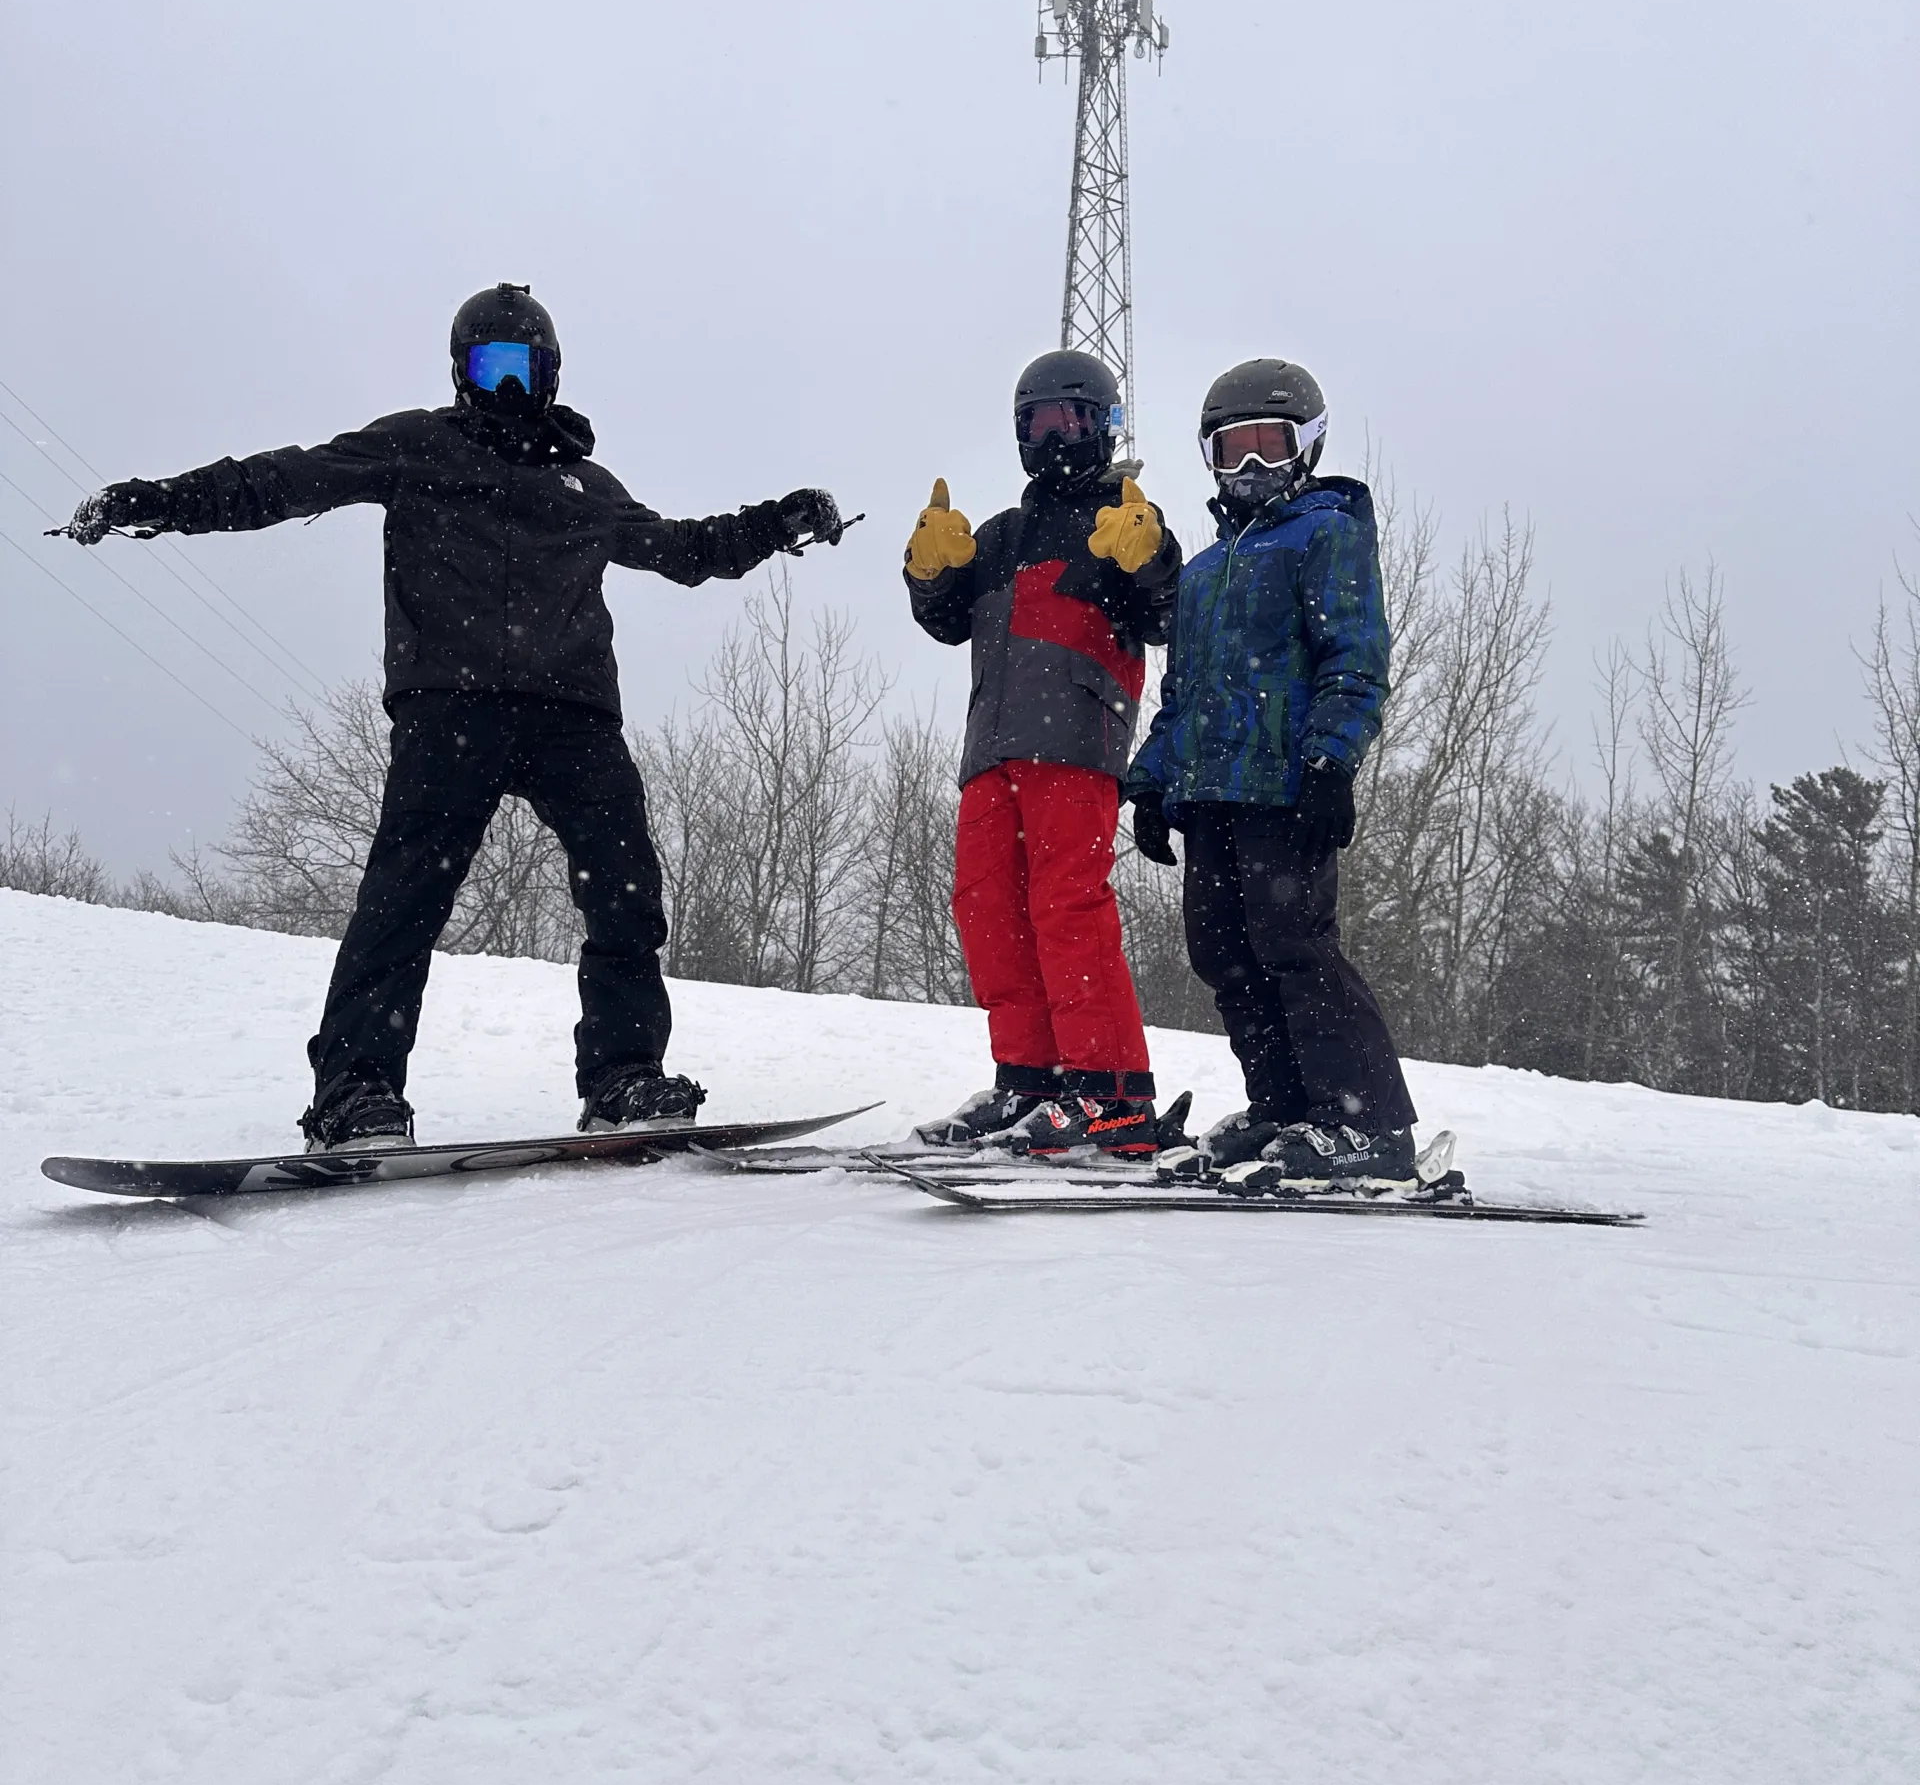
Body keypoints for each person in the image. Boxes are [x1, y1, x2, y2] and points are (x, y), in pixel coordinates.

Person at [63, 283, 843, 1148]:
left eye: (523, 368)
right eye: (489, 366)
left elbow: (686, 551)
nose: (507, 388)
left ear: (548, 376)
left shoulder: (584, 484)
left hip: (573, 715)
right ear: (461, 373)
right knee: (406, 896)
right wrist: (154, 500)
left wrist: (777, 523)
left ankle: (623, 1077)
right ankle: (356, 1090)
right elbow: (280, 479)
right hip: (451, 705)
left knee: (626, 896)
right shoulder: (418, 446)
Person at [1125, 358, 1419, 1182]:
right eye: (1233, 450)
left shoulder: (1325, 535)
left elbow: (1354, 658)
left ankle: (1364, 1121)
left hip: (1283, 786)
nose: (1250, 468)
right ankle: (1284, 1106)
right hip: (1209, 792)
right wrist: (1152, 781)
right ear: (1211, 457)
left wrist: (1332, 760)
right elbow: (1183, 695)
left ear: (1308, 446)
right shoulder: (1204, 573)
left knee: (1294, 946)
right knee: (1221, 952)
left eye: (1268, 446)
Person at [904, 348, 1181, 1158]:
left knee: (1067, 910)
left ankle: (1112, 1096)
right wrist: (929, 572)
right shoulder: (999, 536)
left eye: (1077, 419)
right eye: (1042, 422)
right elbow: (946, 618)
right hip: (992, 750)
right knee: (986, 910)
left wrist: (1152, 557)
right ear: (1020, 433)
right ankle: (1029, 1079)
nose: (1059, 437)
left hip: (1075, 741)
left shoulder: (1120, 522)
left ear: (1106, 427)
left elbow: (1166, 612)